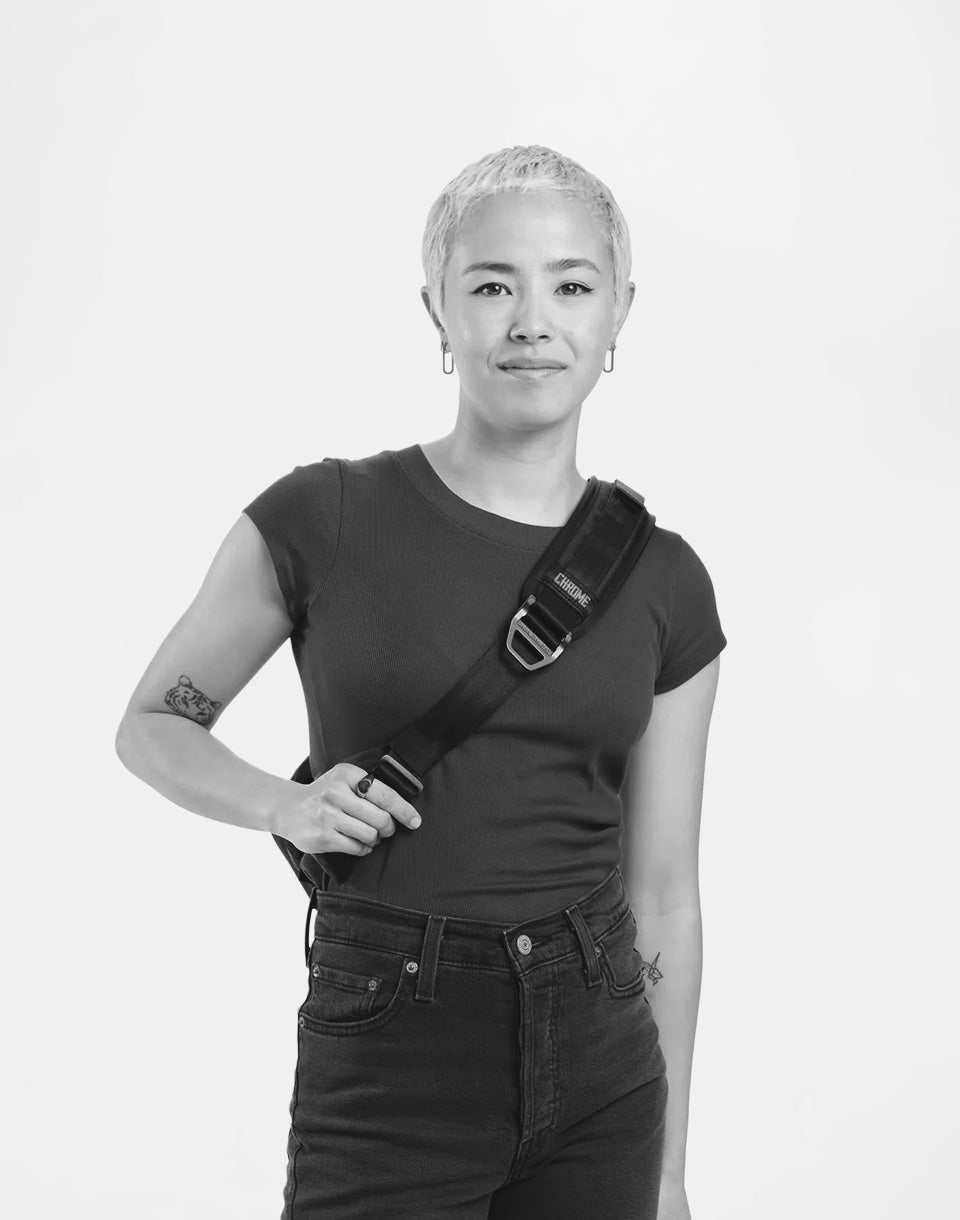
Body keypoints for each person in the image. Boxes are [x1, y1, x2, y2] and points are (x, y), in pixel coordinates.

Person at [115, 143, 726, 1220]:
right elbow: (154, 721)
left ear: (619, 313)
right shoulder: (323, 516)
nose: (531, 321)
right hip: (392, 1044)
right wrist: (283, 804)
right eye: (491, 286)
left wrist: (668, 1173)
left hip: (603, 1052)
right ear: (436, 309)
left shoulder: (665, 578)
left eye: (571, 286)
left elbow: (665, 892)